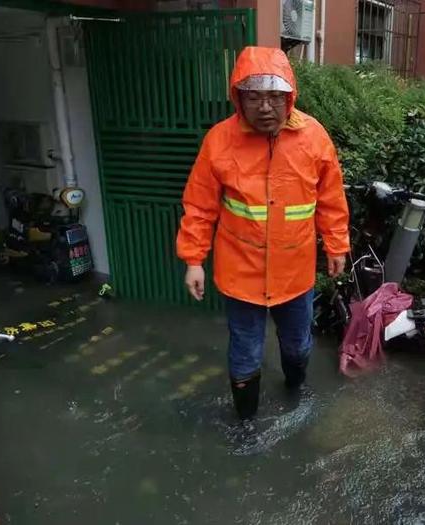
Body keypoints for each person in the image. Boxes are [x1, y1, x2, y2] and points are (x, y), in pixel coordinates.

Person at [176, 47, 350, 423]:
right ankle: (246, 425)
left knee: (298, 346)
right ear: (238, 97)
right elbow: (199, 205)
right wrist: (194, 260)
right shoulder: (219, 141)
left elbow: (331, 199)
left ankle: (294, 391)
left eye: (274, 96)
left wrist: (336, 245)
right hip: (241, 273)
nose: (265, 107)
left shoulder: (315, 138)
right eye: (254, 96)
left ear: (290, 97)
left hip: (295, 272)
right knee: (245, 351)